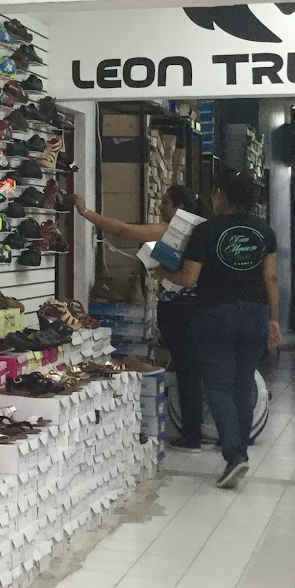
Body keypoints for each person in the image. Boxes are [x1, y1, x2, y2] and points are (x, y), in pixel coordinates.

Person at [156, 169, 280, 490]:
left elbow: (189, 279)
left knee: (219, 387)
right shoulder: (264, 231)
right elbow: (270, 278)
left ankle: (235, 455)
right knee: (242, 383)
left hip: (215, 315)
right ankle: (241, 449)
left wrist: (162, 273)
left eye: (214, 191)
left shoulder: (205, 231)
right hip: (255, 313)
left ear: (221, 194)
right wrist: (274, 320)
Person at [73, 186, 206, 450]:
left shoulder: (172, 230)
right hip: (198, 309)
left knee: (187, 371)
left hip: (178, 309)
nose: (160, 207)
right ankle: (192, 428)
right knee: (191, 370)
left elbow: (125, 230)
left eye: (165, 202)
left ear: (178, 207)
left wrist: (85, 211)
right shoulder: (202, 230)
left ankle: (192, 434)